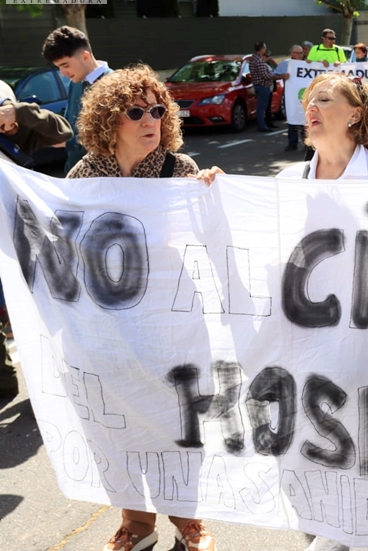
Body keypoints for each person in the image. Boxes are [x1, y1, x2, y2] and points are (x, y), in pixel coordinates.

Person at [66, 65, 221, 551]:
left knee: (176, 420)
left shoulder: (182, 171)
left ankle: (188, 522)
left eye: (157, 110)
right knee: (119, 421)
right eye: (136, 111)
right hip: (106, 324)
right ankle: (137, 522)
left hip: (170, 321)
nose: (150, 119)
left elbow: (211, 236)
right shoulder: (83, 176)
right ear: (110, 120)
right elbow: (64, 248)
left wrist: (215, 198)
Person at [0, 81, 73, 403]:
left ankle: (49, 390)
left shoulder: (21, 130)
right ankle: (4, 382)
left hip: (21, 233)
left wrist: (19, 116)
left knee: (35, 308)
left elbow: (62, 132)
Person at [277, 73, 368, 189]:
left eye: (323, 99)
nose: (310, 107)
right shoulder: (287, 181)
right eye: (309, 101)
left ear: (355, 115)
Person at [41, 25, 114, 174]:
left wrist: (66, 142)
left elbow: (111, 139)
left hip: (104, 180)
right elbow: (69, 125)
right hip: (75, 176)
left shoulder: (115, 85)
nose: (63, 74)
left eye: (65, 65)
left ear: (85, 56)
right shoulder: (76, 83)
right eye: (58, 67)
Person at [274, 45, 306, 152]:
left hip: (303, 96)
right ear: (291, 53)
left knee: (305, 119)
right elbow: (273, 75)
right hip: (290, 97)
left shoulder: (306, 64)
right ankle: (292, 143)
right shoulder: (286, 63)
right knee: (292, 119)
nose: (300, 55)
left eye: (301, 53)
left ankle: (306, 143)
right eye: (297, 53)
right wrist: (282, 76)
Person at [248, 41, 283, 132]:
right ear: (261, 49)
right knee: (261, 107)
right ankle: (262, 126)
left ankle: (263, 124)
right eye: (264, 48)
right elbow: (265, 75)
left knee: (262, 107)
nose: (265, 50)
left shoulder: (253, 58)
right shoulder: (259, 60)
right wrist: (278, 76)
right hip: (263, 85)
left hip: (259, 85)